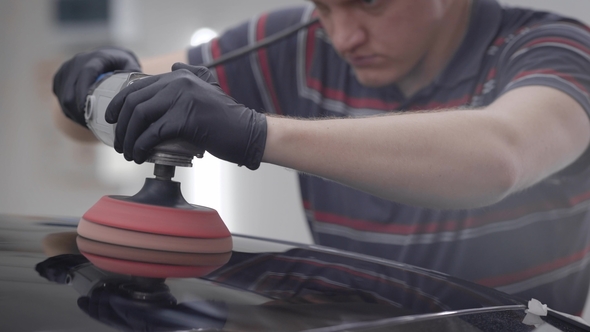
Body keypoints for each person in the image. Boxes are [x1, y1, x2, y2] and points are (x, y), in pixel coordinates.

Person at [52, 0, 590, 314]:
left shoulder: (553, 47)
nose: (344, 35)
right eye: (326, 4)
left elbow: (500, 157)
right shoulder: (302, 38)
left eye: (371, 2)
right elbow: (109, 108)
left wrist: (253, 133)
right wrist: (85, 91)